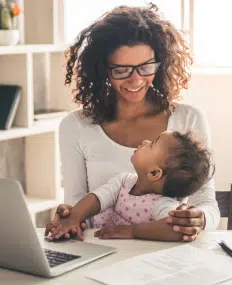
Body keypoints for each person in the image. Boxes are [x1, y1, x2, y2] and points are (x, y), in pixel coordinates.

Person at [51, 4, 220, 241]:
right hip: (101, 251)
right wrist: (71, 217)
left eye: (145, 67)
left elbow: (206, 204)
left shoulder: (189, 119)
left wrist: (198, 219)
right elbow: (77, 204)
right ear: (103, 71)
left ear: (160, 63)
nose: (136, 79)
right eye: (121, 70)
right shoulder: (75, 126)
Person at [46, 131, 214, 241]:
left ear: (154, 173)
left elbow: (176, 230)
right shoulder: (124, 182)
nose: (145, 140)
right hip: (95, 245)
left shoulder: (162, 203)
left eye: (152, 144)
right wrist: (74, 217)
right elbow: (97, 198)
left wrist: (132, 231)